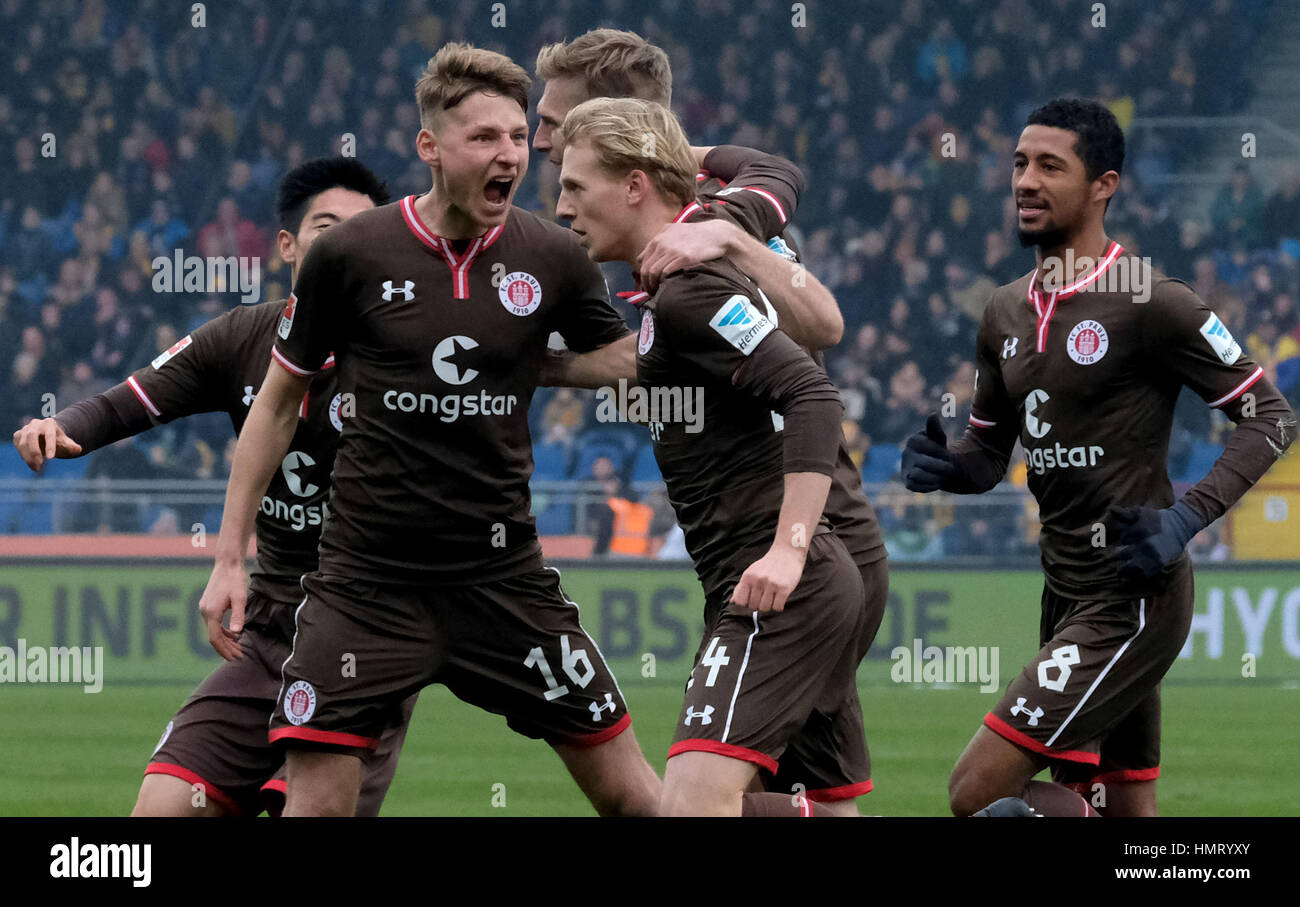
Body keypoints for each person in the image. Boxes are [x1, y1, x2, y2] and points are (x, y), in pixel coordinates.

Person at [195, 44, 660, 817]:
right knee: (314, 810)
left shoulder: (551, 254)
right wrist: (226, 555)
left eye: (518, 136)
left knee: (636, 796)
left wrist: (550, 363)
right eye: (484, 138)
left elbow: (624, 357)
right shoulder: (350, 253)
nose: (510, 153)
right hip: (363, 586)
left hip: (502, 582)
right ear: (431, 148)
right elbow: (277, 404)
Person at [900, 98, 1295, 816]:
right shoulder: (1003, 312)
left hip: (1133, 594)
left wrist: (1186, 517)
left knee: (975, 792)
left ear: (1104, 185)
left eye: (1051, 166)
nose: (1026, 180)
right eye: (1020, 163)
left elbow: (1270, 414)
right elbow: (991, 452)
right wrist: (950, 467)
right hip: (1064, 592)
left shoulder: (1154, 301)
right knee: (1124, 807)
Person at [537, 29, 888, 814]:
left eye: (562, 145)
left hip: (785, 565)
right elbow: (655, 358)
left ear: (632, 181)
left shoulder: (694, 271)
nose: (555, 190)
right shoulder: (671, 282)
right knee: (810, 800)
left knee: (691, 806)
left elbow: (815, 386)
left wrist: (789, 553)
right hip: (784, 561)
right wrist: (541, 364)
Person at [13, 157, 412, 817]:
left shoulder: (409, 353)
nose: (343, 246)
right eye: (325, 228)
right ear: (287, 245)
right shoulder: (241, 338)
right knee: (162, 809)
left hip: (364, 642)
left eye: (361, 232)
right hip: (267, 634)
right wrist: (60, 424)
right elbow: (132, 400)